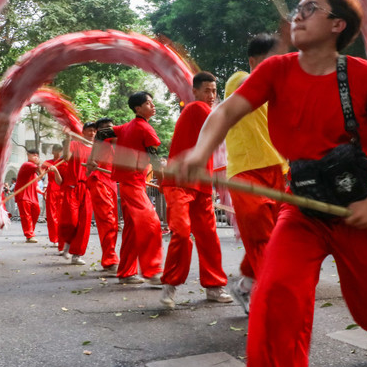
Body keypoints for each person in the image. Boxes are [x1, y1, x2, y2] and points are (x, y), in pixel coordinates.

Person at [177, 0, 367, 367]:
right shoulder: (276, 71)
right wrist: (200, 152)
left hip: (358, 205)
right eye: (296, 9)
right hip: (301, 208)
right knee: (276, 293)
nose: (297, 17)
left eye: (310, 9)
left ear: (338, 25)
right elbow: (226, 111)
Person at [223, 33, 287, 314]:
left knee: (275, 237)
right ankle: (273, 301)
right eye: (269, 62)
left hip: (278, 171)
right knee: (262, 236)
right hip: (246, 173)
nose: (276, 68)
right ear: (252, 61)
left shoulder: (281, 92)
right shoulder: (239, 81)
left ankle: (245, 287)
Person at [159, 72, 233, 308]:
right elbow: (223, 122)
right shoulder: (196, 108)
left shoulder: (205, 112)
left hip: (201, 184)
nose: (211, 95)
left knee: (209, 237)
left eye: (214, 91)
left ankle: (214, 286)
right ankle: (169, 286)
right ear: (195, 92)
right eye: (207, 90)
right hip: (179, 182)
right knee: (181, 232)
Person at [97, 91, 164, 285]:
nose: (153, 106)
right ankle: (152, 272)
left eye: (152, 103)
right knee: (152, 224)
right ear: (138, 108)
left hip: (130, 184)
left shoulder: (125, 127)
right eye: (149, 103)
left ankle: (126, 272)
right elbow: (155, 160)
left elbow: (101, 134)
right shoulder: (145, 128)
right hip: (133, 185)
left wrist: (94, 158)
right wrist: (162, 182)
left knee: (133, 230)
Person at [86, 118, 120, 273]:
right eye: (105, 129)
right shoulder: (99, 143)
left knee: (113, 224)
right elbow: (89, 167)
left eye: (111, 128)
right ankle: (111, 261)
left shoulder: (116, 144)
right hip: (99, 182)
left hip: (111, 184)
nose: (109, 131)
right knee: (107, 221)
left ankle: (109, 260)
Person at [59, 122, 96, 264]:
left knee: (84, 223)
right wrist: (68, 138)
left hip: (88, 188)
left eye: (94, 131)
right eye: (89, 131)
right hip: (73, 187)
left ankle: (77, 255)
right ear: (83, 132)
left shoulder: (97, 150)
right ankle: (67, 243)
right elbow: (67, 157)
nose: (92, 133)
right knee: (71, 221)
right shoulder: (75, 144)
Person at [15, 149, 60, 243]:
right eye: (33, 155)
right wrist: (45, 166)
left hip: (32, 197)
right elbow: (40, 170)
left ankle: (30, 231)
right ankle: (29, 235)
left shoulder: (33, 173)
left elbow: (35, 186)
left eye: (37, 155)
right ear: (28, 156)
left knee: (36, 211)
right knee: (26, 216)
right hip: (23, 196)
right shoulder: (27, 165)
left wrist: (43, 192)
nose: (36, 157)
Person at [43, 144, 65, 246]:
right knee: (52, 215)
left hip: (63, 190)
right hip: (52, 190)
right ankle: (54, 238)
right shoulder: (48, 163)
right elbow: (40, 173)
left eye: (60, 151)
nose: (58, 153)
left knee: (62, 215)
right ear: (53, 152)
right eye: (56, 151)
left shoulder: (64, 162)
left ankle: (62, 238)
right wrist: (44, 188)